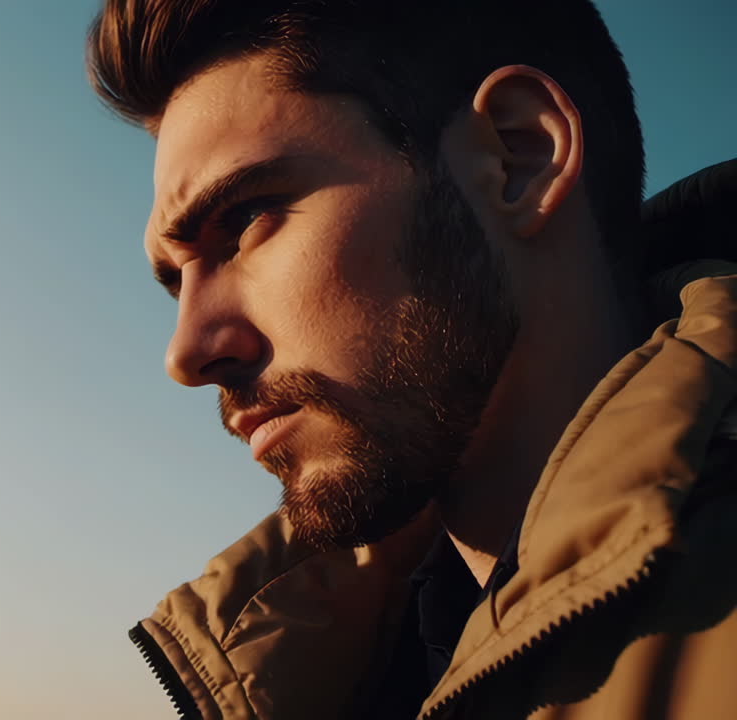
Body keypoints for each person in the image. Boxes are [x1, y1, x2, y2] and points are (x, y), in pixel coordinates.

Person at [85, 1, 737, 718]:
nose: (186, 354)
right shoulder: (319, 668)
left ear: (518, 157)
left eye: (241, 220)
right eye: (176, 281)